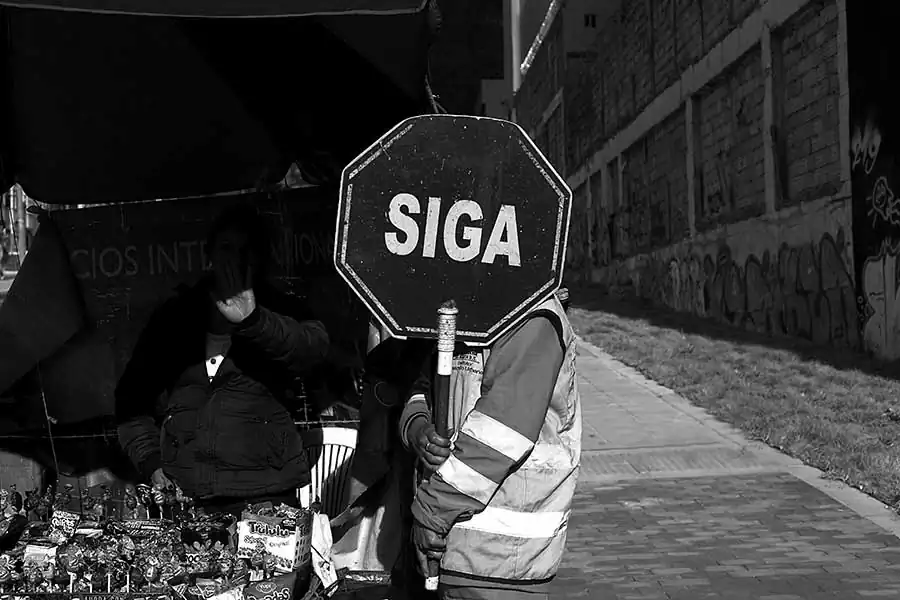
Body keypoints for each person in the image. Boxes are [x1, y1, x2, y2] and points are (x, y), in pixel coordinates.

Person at [115, 203, 330, 516]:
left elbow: (312, 349)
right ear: (210, 255)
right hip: (187, 495)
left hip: (264, 495)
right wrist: (152, 462)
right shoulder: (175, 317)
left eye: (247, 249)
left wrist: (254, 321)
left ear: (260, 258)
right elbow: (130, 401)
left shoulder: (283, 311)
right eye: (227, 248)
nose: (236, 258)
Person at [399, 289, 580, 600]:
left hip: (501, 563)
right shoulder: (465, 306)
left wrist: (432, 511)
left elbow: (502, 433)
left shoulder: (533, 315)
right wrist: (417, 428)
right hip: (451, 551)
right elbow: (424, 385)